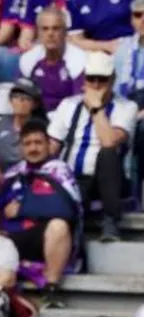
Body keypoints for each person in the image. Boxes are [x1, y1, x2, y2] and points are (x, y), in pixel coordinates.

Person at [48, 51, 138, 242]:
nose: (96, 85)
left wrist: (96, 109)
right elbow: (52, 146)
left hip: (110, 180)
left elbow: (109, 141)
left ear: (112, 79)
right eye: (91, 79)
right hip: (74, 177)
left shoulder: (126, 107)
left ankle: (110, 219)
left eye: (102, 79)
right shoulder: (68, 105)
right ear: (84, 80)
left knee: (107, 154)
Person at [0, 119, 80, 307]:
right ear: (21, 147)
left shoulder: (59, 171)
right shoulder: (12, 174)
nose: (33, 148)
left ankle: (51, 288)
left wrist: (24, 208)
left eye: (38, 143)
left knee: (59, 225)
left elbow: (66, 209)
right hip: (13, 236)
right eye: (28, 143)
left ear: (48, 144)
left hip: (43, 238)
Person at [18, 6, 84, 114]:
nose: (50, 34)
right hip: (36, 118)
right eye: (45, 29)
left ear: (65, 32)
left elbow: (78, 103)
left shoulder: (79, 60)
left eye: (56, 28)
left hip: (66, 119)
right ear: (38, 32)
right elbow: (21, 97)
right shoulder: (28, 59)